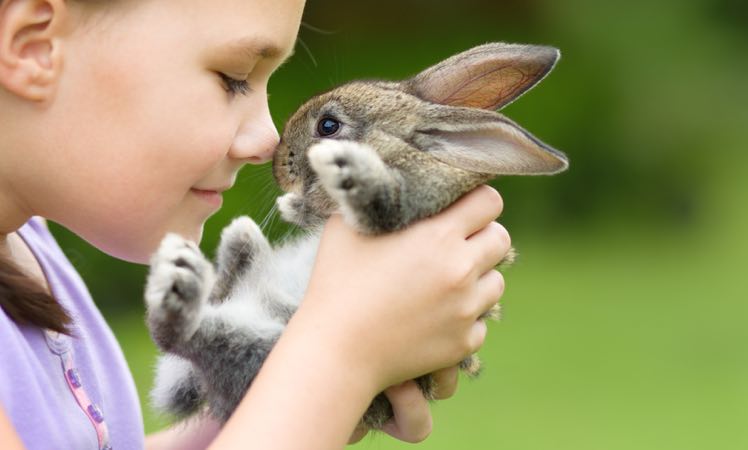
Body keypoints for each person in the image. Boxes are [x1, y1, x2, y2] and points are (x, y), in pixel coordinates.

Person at [0, 0, 510, 449]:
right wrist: (338, 358)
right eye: (233, 77)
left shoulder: (27, 249)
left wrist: (288, 396)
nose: (268, 140)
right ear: (34, 47)